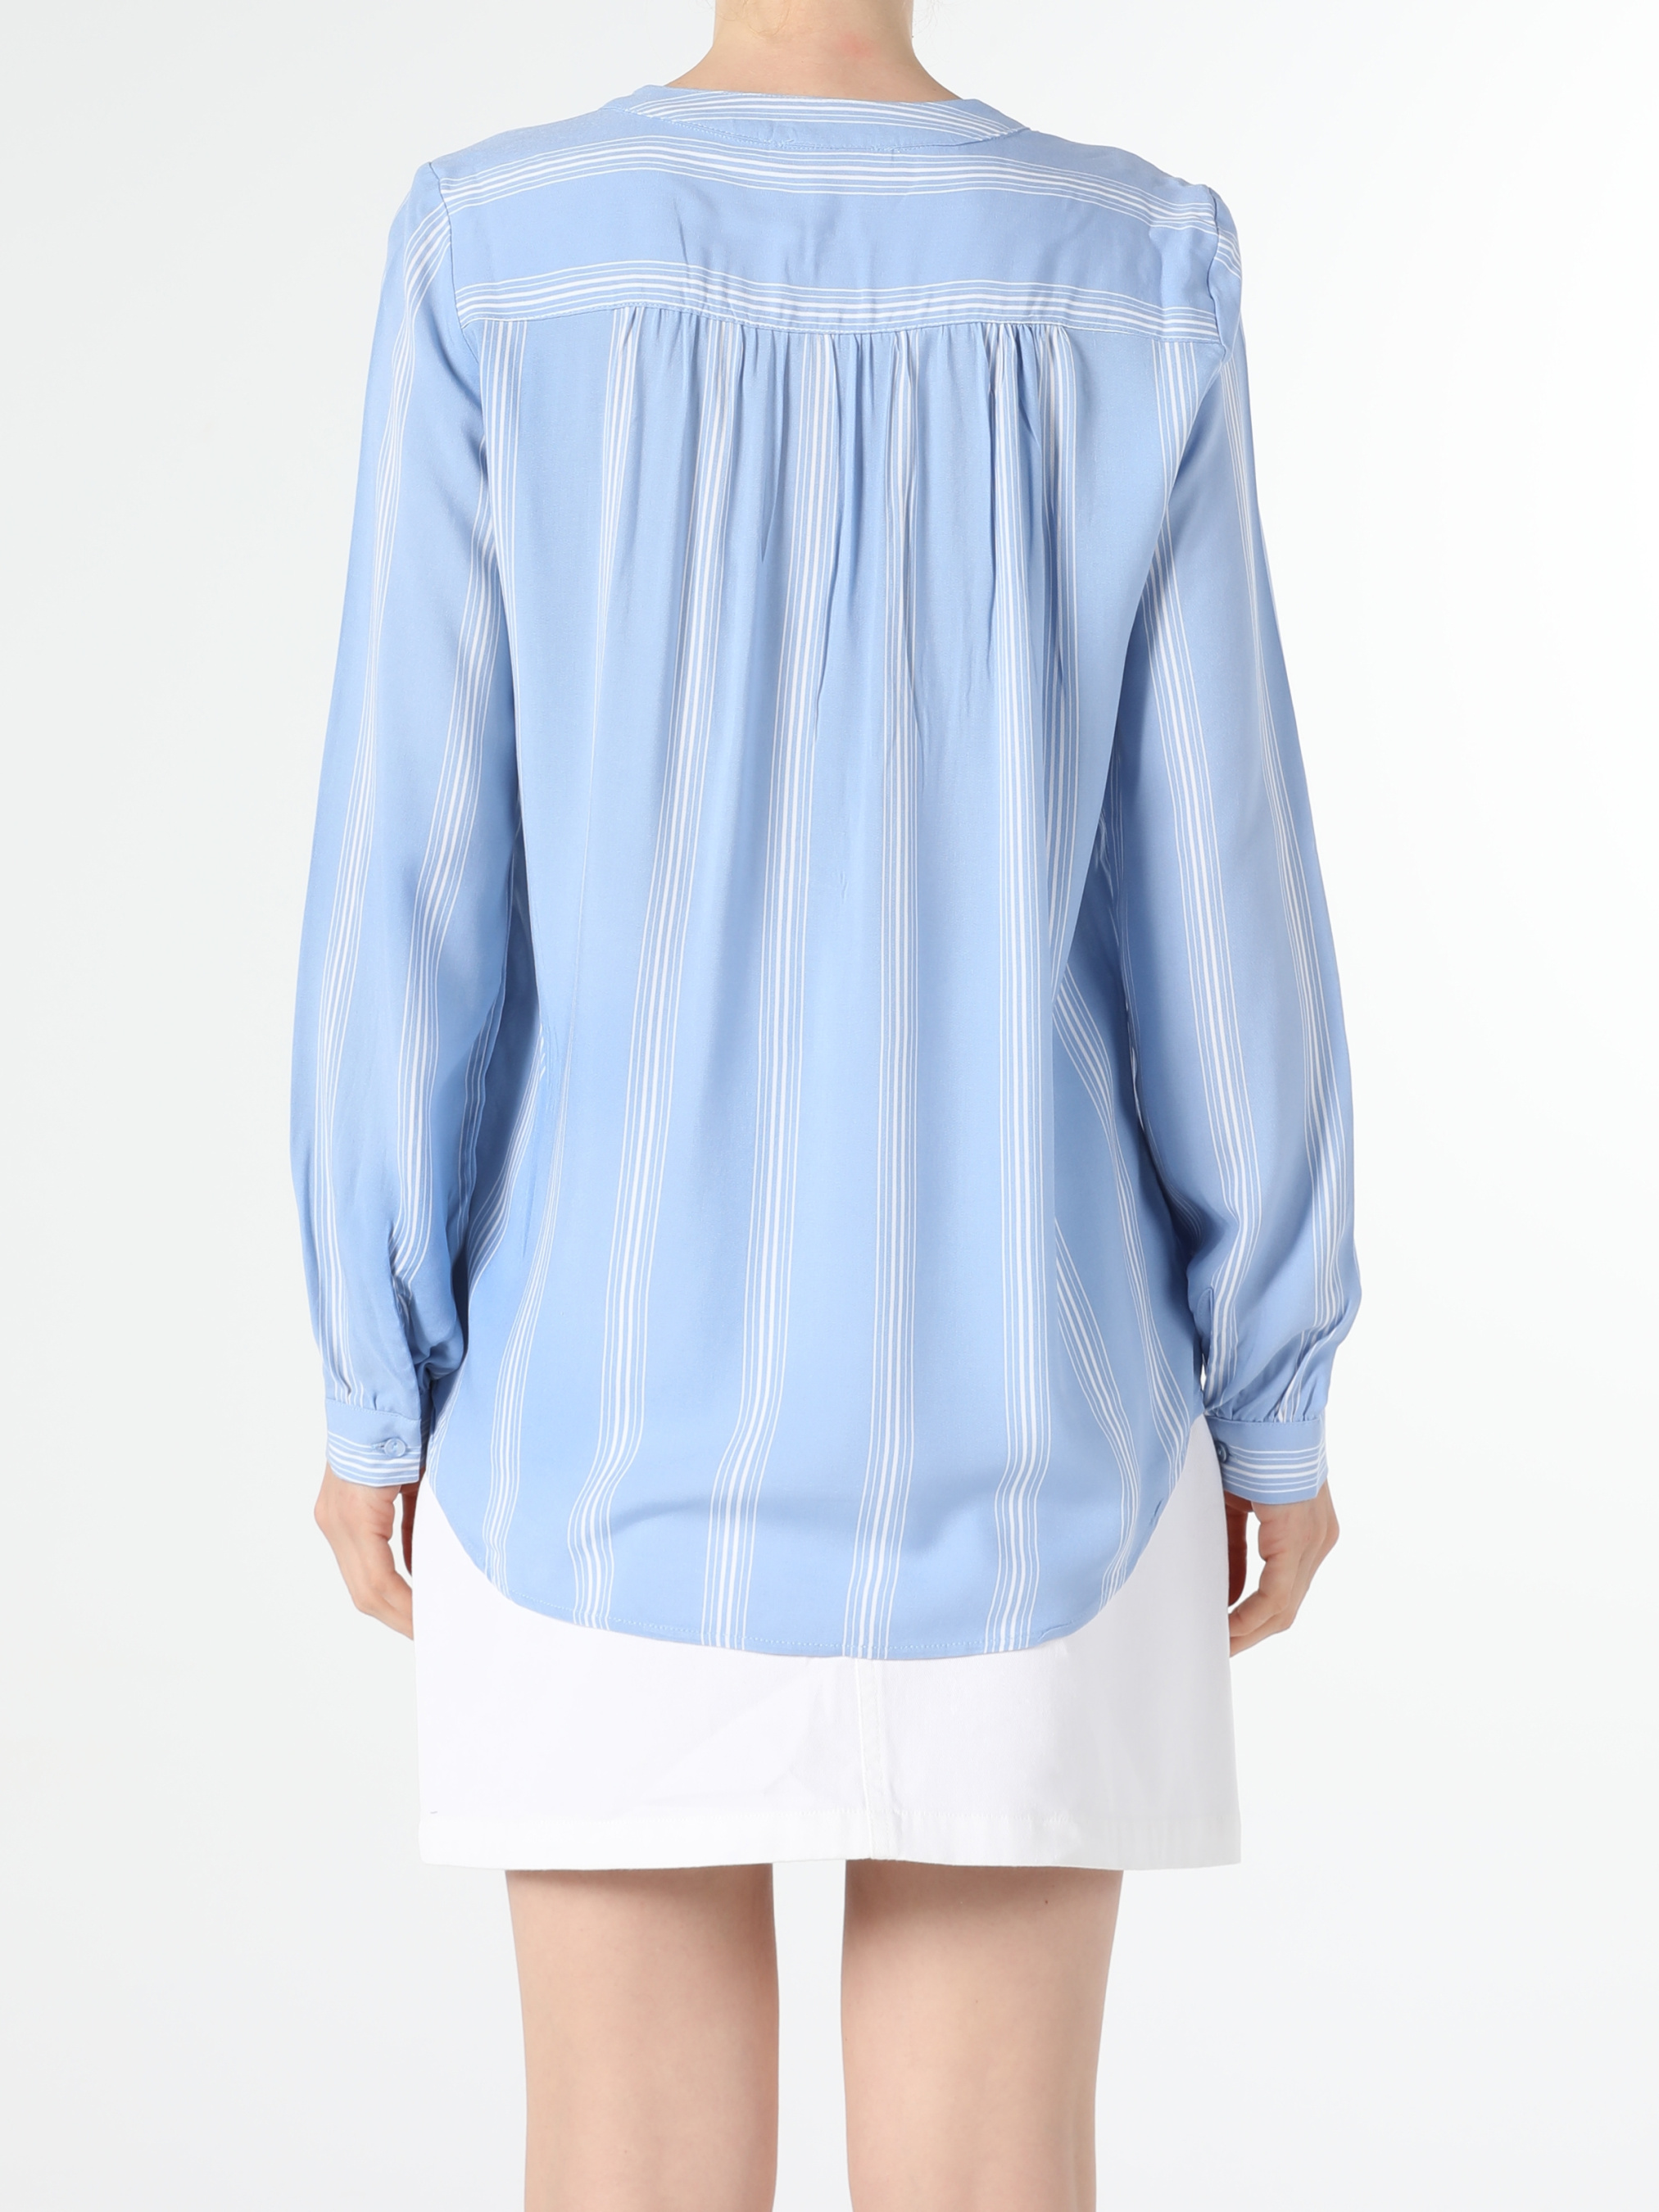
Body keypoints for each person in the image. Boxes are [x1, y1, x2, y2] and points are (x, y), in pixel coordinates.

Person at [292, 2, 1358, 2204]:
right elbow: (1218, 891)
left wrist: (374, 1373)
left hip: (588, 1432)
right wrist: (1272, 1393)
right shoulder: (1129, 263)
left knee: (622, 2164)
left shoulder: (499, 248)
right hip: (1040, 1433)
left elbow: (412, 873)